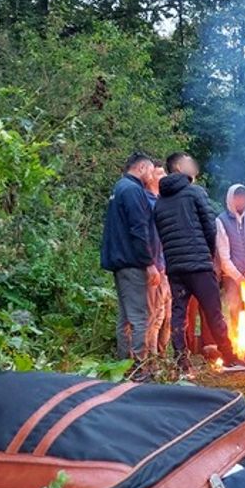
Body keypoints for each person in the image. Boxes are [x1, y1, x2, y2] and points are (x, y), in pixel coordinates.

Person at [154, 152, 245, 373]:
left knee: (179, 312)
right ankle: (229, 356)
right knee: (214, 311)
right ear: (178, 167)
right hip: (198, 264)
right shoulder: (195, 192)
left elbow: (161, 235)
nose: (193, 166)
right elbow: (210, 227)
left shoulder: (160, 202)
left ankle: (180, 361)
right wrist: (208, 254)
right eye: (189, 162)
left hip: (175, 267)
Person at [100, 152, 157, 364]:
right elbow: (138, 229)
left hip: (119, 261)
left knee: (125, 316)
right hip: (132, 262)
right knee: (139, 316)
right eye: (151, 170)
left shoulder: (119, 188)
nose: (151, 176)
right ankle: (139, 367)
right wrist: (149, 262)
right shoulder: (133, 190)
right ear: (141, 168)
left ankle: (123, 363)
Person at [215, 183, 245, 326]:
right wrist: (238, 277)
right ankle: (239, 345)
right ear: (230, 199)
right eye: (237, 197)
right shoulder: (221, 221)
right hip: (231, 278)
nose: (240, 200)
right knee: (236, 310)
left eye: (243, 197)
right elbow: (223, 255)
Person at [140, 158, 171, 356]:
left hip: (167, 267)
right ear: (150, 178)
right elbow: (147, 237)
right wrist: (153, 264)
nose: (164, 178)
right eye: (159, 174)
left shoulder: (163, 202)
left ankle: (161, 356)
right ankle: (149, 361)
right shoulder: (146, 201)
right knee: (153, 316)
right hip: (155, 266)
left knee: (165, 316)